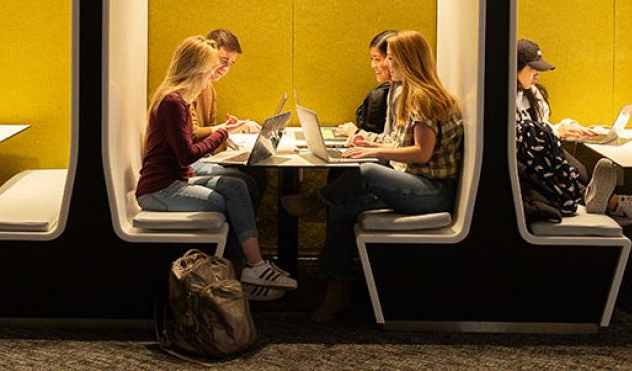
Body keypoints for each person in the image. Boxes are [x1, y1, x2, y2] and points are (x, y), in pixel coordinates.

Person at [281, 30, 461, 322]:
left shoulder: (423, 98)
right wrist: (373, 144)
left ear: (408, 60)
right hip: (414, 183)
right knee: (341, 208)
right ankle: (336, 290)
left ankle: (315, 201)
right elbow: (401, 143)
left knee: (365, 171)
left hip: (432, 191)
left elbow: (422, 153)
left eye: (391, 59)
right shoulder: (403, 93)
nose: (386, 65)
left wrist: (374, 154)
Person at [136, 35, 296, 300]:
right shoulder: (173, 103)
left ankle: (247, 268)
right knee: (235, 202)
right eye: (212, 67)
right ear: (196, 69)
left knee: (236, 186)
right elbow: (187, 155)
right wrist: (221, 134)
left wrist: (222, 131)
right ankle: (251, 267)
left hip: (177, 180)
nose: (214, 74)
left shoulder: (180, 100)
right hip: (159, 191)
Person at [515, 39, 632, 225]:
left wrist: (567, 128)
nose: (538, 74)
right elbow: (522, 134)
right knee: (576, 169)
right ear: (514, 67)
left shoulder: (533, 93)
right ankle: (611, 203)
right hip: (523, 161)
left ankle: (601, 199)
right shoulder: (501, 95)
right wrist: (555, 131)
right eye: (533, 69)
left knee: (580, 170)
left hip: (539, 155)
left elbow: (541, 127)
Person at [190, 29, 266, 208]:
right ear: (207, 52)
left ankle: (246, 227)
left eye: (231, 64)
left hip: (202, 154)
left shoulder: (209, 87)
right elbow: (192, 134)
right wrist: (226, 129)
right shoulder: (189, 88)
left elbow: (207, 130)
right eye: (223, 61)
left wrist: (226, 131)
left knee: (258, 173)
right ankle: (243, 231)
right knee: (248, 180)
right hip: (191, 161)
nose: (225, 69)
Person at [334, 29, 400, 145]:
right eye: (372, 59)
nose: (373, 65)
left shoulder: (403, 93)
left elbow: (399, 147)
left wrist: (357, 133)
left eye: (377, 59)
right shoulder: (393, 89)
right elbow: (390, 140)